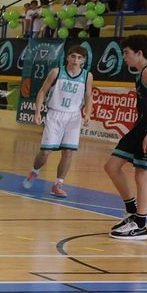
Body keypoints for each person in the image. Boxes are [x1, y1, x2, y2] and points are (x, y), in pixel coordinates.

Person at [104, 35, 147, 242]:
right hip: (140, 127)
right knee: (112, 166)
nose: (124, 57)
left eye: (126, 53)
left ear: (139, 53)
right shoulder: (140, 72)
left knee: (142, 174)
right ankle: (131, 211)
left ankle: (141, 225)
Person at [22, 45, 92, 198]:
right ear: (67, 57)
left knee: (68, 152)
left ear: (83, 61)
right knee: (46, 151)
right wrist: (38, 111)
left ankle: (58, 184)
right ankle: (34, 171)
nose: (76, 60)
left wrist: (88, 112)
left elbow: (88, 95)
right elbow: (42, 91)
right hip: (55, 114)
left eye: (79, 58)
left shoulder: (87, 76)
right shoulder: (56, 72)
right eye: (73, 56)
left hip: (73, 116)